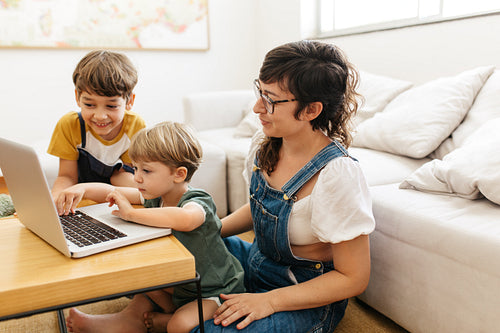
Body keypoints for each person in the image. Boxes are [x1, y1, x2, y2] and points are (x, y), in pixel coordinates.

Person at [192, 40, 376, 332]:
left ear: (311, 110)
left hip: (304, 297)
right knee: (174, 254)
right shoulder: (264, 144)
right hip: (256, 262)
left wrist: (271, 301)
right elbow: (259, 209)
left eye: (270, 99)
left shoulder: (337, 175)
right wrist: (207, 231)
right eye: (260, 92)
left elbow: (353, 277)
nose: (256, 107)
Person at [58, 122, 245, 333]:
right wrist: (83, 188)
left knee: (179, 325)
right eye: (136, 167)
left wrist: (132, 214)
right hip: (179, 284)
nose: (136, 177)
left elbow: (186, 219)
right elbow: (112, 190)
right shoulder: (155, 195)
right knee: (136, 276)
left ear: (179, 174)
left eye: (146, 170)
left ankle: (167, 319)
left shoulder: (197, 201)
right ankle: (130, 321)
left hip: (213, 290)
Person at [48, 50, 146, 201]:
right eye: (89, 104)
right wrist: (54, 201)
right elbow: (66, 176)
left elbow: (130, 175)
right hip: (81, 198)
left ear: (129, 101)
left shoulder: (135, 125)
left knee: (120, 178)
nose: (100, 116)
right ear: (77, 98)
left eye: (111, 106)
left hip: (119, 197)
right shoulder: (69, 124)